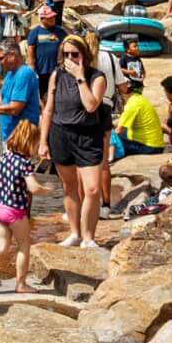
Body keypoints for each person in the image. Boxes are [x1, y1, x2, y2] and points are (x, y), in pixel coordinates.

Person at [38, 34, 110, 248]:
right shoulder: (57, 75)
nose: (70, 58)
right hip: (61, 134)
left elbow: (91, 105)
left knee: (92, 189)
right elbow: (49, 109)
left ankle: (89, 237)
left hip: (88, 136)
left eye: (75, 54)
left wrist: (80, 77)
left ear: (85, 55)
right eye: (66, 54)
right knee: (69, 187)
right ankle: (75, 233)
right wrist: (43, 141)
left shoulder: (97, 78)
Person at [0, 119, 43, 293]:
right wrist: (46, 190)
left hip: (0, 209)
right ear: (29, 143)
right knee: (24, 246)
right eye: (36, 144)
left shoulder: (5, 157)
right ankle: (21, 284)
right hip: (16, 212)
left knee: (1, 245)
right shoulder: (26, 164)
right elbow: (33, 188)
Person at [110, 73, 164, 159]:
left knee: (110, 139)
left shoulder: (132, 105)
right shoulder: (138, 98)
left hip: (149, 148)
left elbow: (118, 131)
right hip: (155, 145)